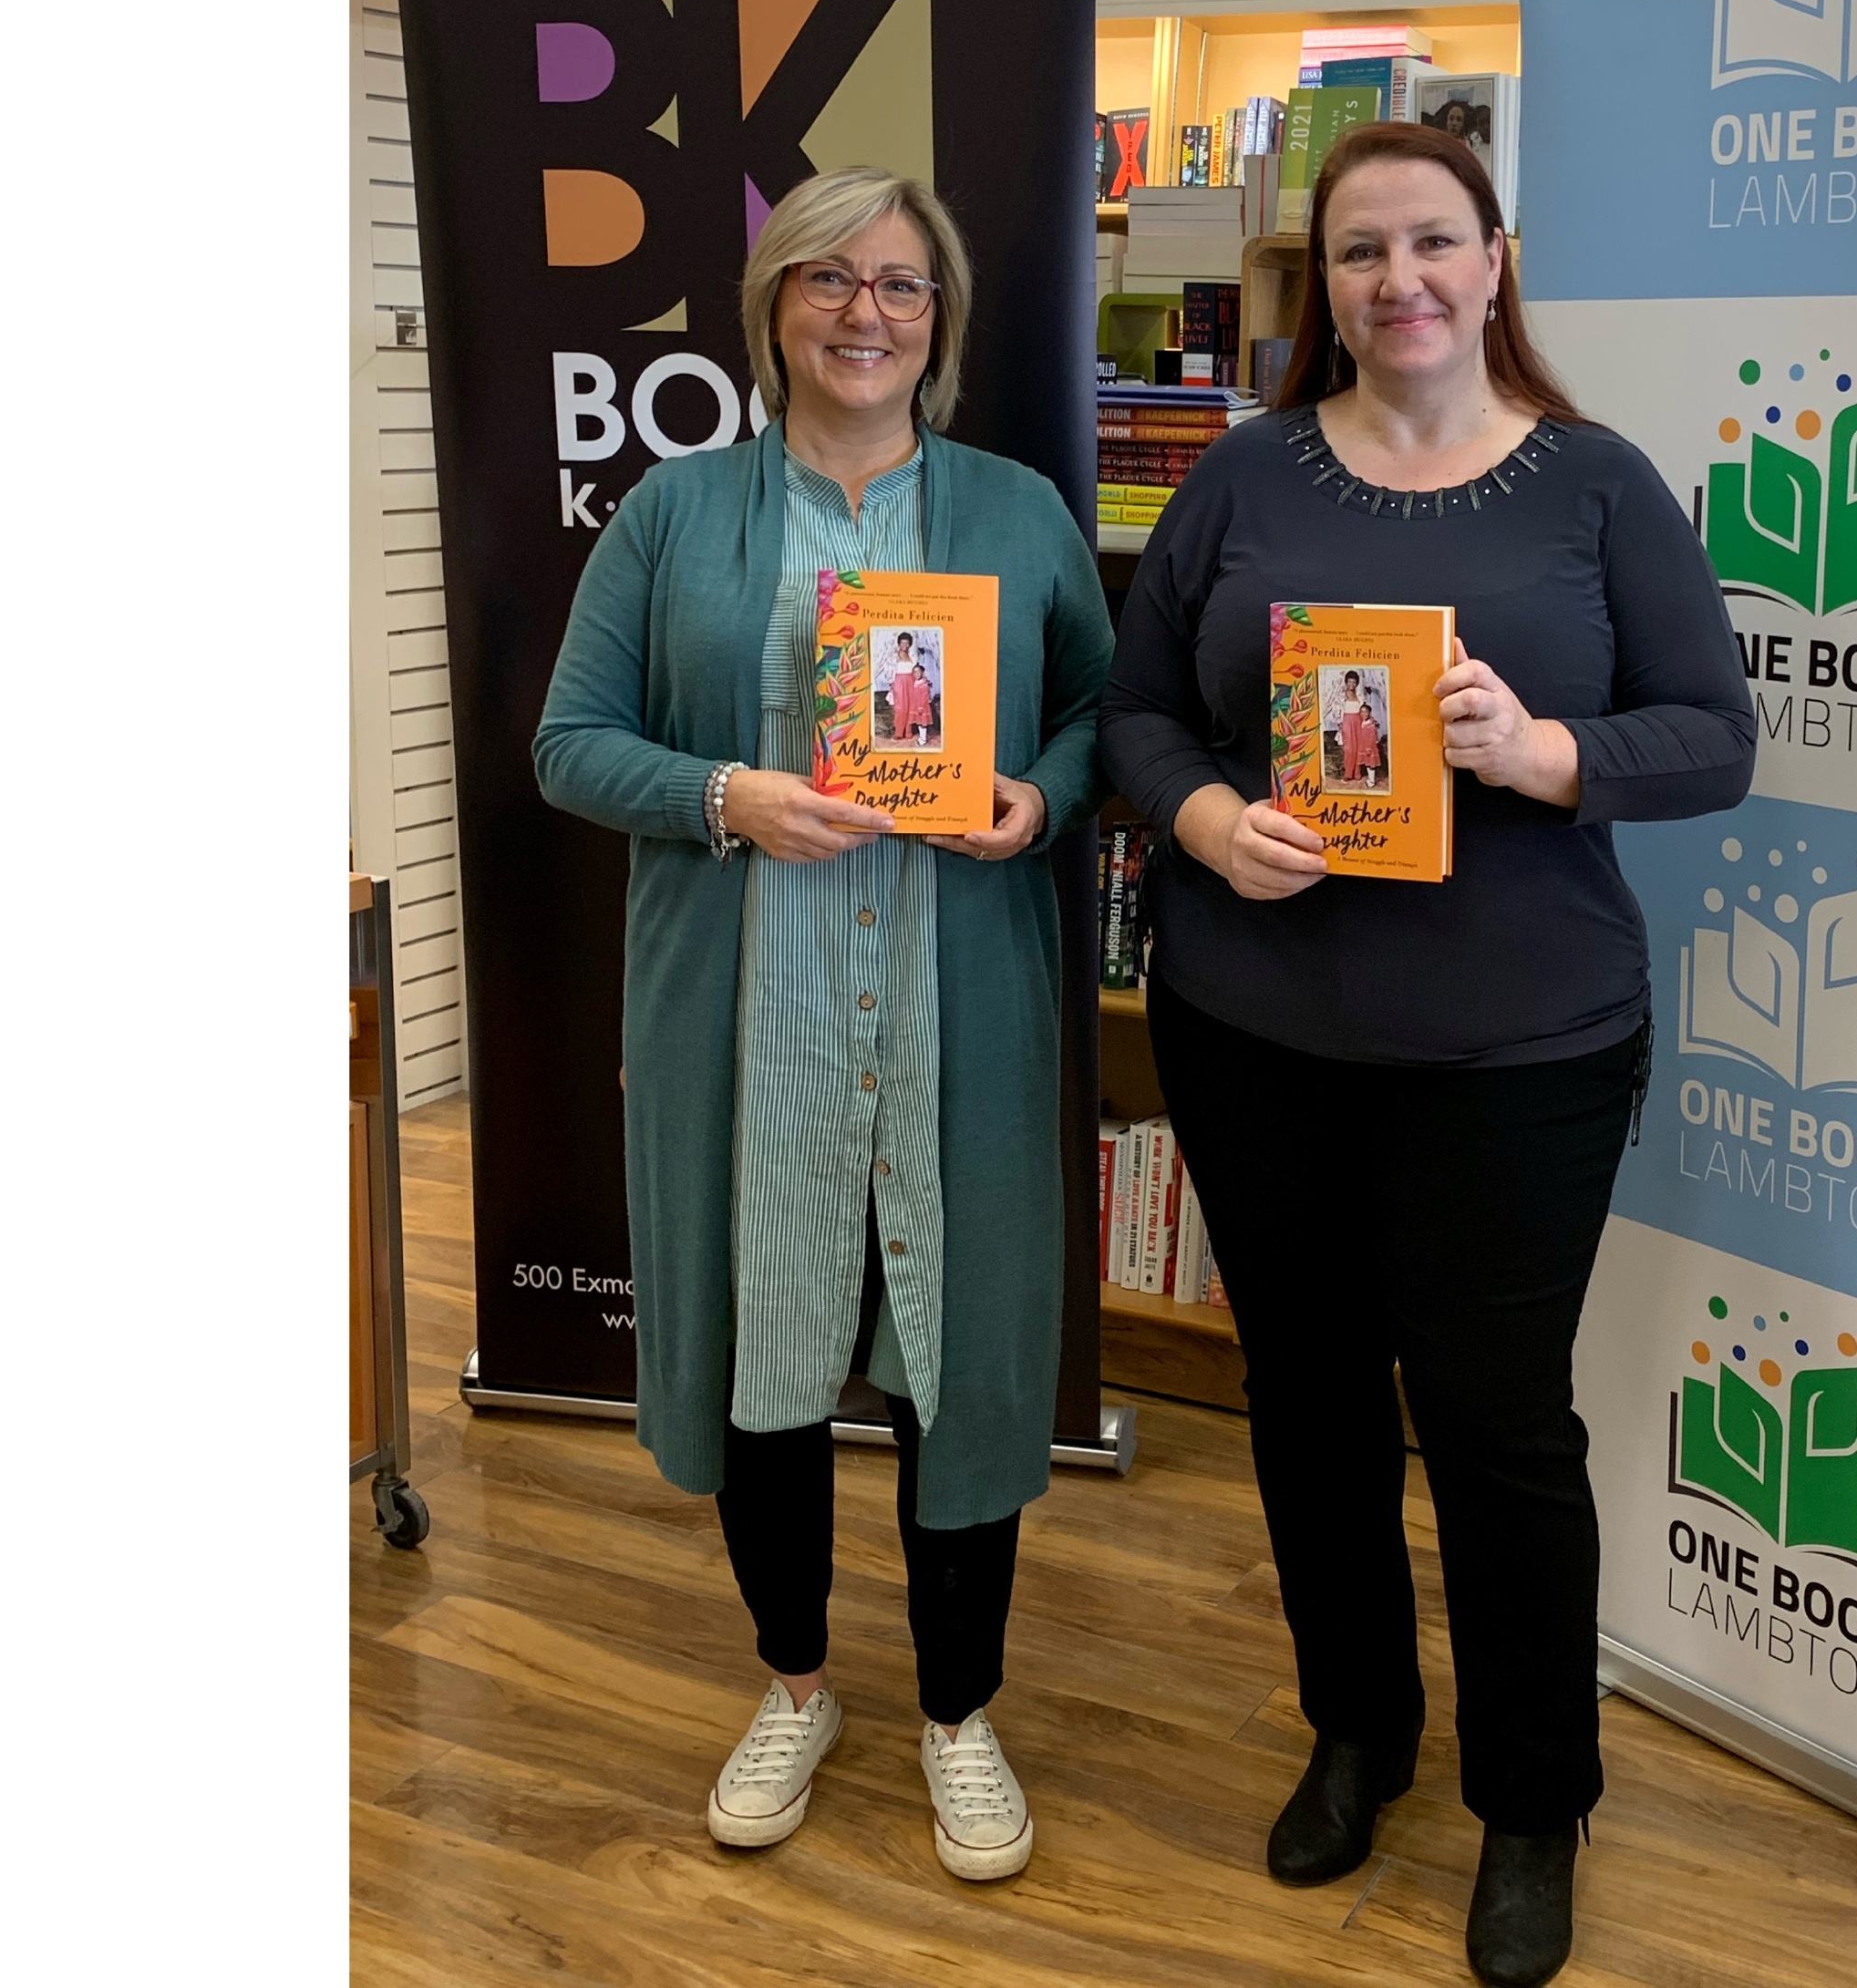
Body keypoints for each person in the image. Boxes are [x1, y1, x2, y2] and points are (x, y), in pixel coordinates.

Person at [1099, 121, 1754, 1988]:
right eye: (1363, 250)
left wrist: (1543, 750)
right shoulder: (1240, 480)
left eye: (1434, 243)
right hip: (1255, 1037)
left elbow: (1711, 735)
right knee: (1305, 1405)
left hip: (1519, 1051)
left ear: (1493, 260)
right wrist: (1209, 822)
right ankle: (1358, 1728)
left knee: (1493, 1425)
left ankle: (1529, 1795)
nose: (1400, 281)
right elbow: (1141, 710)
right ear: (1323, 281)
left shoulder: (1597, 483)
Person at [534, 165, 1112, 1885]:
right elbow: (570, 743)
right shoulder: (674, 513)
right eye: (830, 282)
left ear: (939, 321)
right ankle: (796, 1683)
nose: (867, 313)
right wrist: (726, 793)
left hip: (958, 1007)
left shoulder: (1009, 509)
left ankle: (957, 1712)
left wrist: (1033, 798)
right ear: (772, 305)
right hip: (752, 1012)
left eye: (902, 286)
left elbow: (1093, 708)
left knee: (965, 1365)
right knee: (762, 1357)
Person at [1334, 675, 1385, 789]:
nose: (1352, 684)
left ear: (1357, 683)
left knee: (1358, 748)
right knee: (1349, 749)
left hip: (1359, 721)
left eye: (1354, 682)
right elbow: (1336, 710)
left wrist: (1371, 720)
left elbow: (1365, 710)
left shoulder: (1360, 696)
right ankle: (1348, 774)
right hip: (1347, 722)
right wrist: (1339, 722)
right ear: (1346, 682)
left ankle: (1357, 773)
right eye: (1349, 681)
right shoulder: (1341, 696)